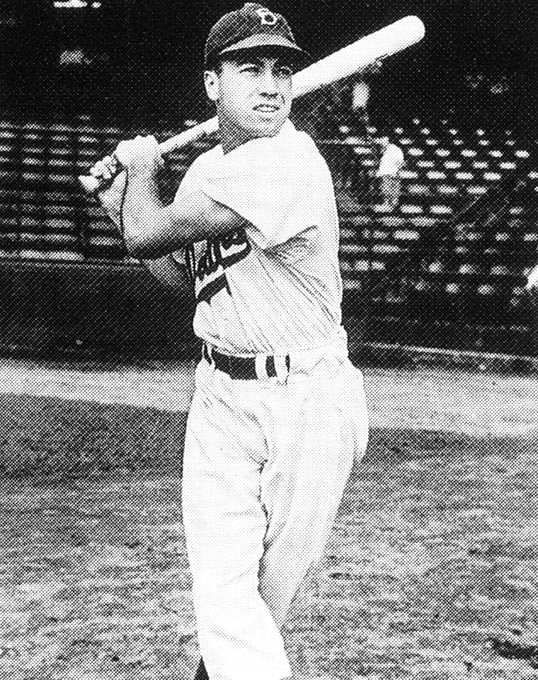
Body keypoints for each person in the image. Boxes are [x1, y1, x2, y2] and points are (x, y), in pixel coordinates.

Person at [90, 4, 369, 679]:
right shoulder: (209, 172)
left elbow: (145, 235)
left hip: (308, 401)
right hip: (220, 397)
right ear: (212, 84)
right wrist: (122, 198)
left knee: (255, 613)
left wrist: (139, 174)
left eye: (282, 70)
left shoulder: (289, 162)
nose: (272, 84)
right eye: (250, 69)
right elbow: (187, 277)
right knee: (225, 600)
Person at [376, 134, 405, 210]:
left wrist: (397, 171)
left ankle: (393, 206)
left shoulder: (395, 150)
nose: (381, 145)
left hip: (393, 173)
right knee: (386, 189)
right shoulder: (385, 151)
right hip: (387, 173)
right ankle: (387, 205)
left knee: (393, 190)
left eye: (383, 143)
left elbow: (400, 162)